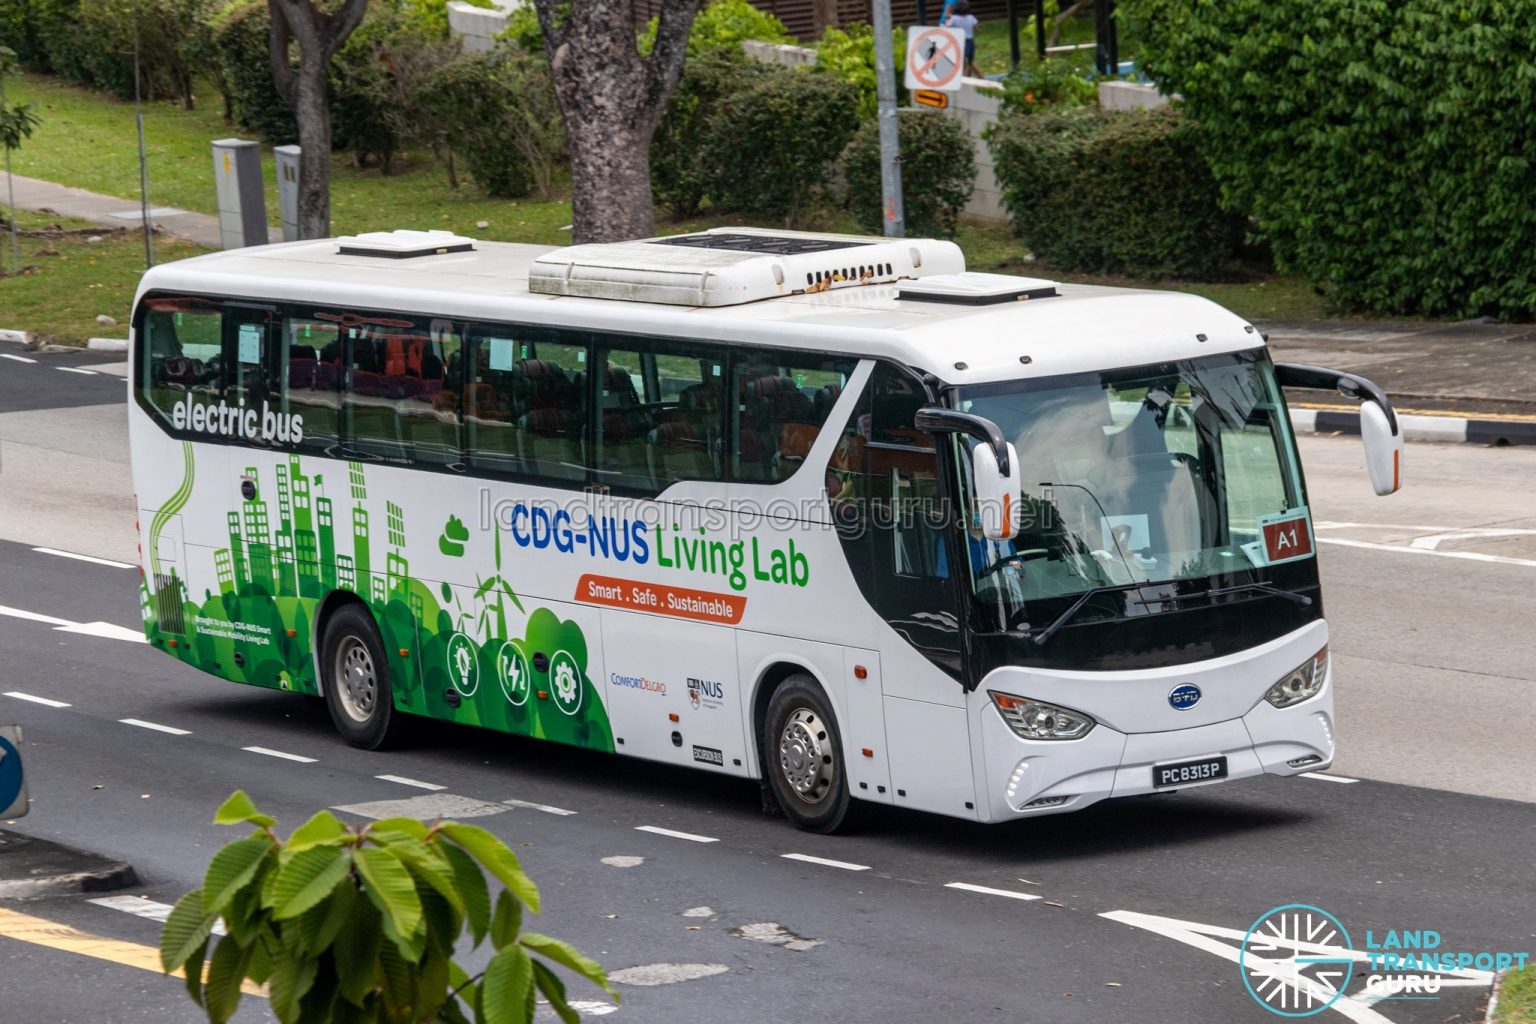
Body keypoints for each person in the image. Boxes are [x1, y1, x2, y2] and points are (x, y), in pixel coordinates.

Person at [944, 0, 981, 78]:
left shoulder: (954, 18)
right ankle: (972, 76)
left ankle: (963, 77)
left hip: (961, 41)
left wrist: (948, 19)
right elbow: (977, 29)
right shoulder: (971, 17)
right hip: (970, 41)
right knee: (970, 61)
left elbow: (946, 27)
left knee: (962, 61)